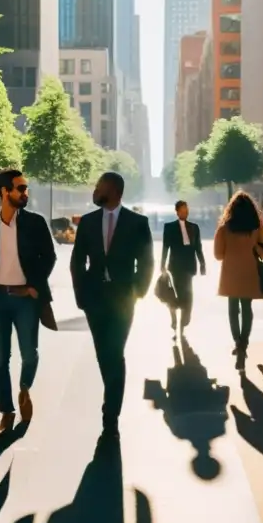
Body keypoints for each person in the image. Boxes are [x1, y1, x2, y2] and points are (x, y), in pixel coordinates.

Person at [0, 169, 57, 437]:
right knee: (0, 359)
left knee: (30, 353)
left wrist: (34, 287)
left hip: (25, 300)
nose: (25, 193)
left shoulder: (35, 222)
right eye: (20, 188)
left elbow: (49, 256)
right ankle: (6, 412)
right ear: (4, 192)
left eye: (26, 188)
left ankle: (24, 389)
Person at [71, 171, 154, 437]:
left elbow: (147, 261)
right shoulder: (87, 222)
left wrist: (138, 291)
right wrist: (81, 295)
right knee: (103, 355)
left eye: (99, 186)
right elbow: (77, 261)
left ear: (114, 190)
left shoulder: (137, 223)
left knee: (114, 353)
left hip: (123, 299)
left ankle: (111, 416)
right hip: (94, 299)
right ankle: (112, 402)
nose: (95, 190)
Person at [214, 191, 263, 370]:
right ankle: (244, 344)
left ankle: (237, 343)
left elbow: (218, 255)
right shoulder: (256, 227)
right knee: (247, 308)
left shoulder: (224, 228)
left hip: (230, 273)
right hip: (249, 271)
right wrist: (253, 246)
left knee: (232, 310)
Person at [161, 200, 206, 334]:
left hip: (189, 265)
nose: (185, 213)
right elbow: (165, 247)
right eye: (182, 210)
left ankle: (185, 317)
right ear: (177, 211)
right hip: (175, 266)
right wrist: (162, 265)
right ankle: (174, 318)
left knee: (188, 292)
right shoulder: (169, 227)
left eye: (186, 210)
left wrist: (202, 263)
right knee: (174, 293)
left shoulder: (194, 227)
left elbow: (198, 247)